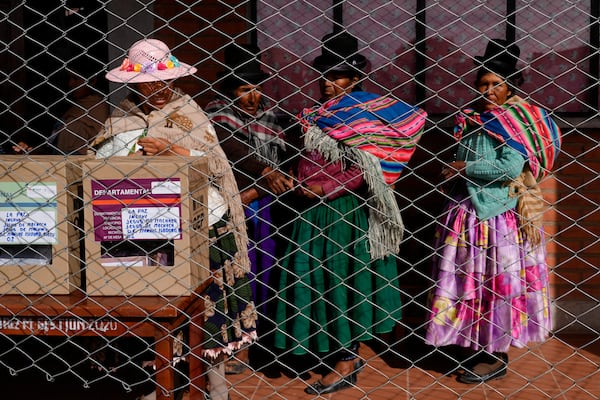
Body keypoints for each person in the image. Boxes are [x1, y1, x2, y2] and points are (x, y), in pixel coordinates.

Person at [98, 38, 257, 400]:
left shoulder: (190, 113)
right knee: (153, 308)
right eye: (146, 83)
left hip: (200, 225)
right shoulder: (121, 116)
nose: (156, 89)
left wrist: (174, 150)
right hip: (143, 224)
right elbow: (100, 158)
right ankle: (158, 384)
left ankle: (216, 388)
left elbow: (216, 165)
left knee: (205, 308)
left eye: (162, 81)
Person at [272, 32, 427, 395]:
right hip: (310, 213)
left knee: (343, 281)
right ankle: (326, 349)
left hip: (344, 213)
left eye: (336, 76)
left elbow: (366, 168)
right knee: (316, 279)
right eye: (323, 75)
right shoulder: (317, 115)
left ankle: (346, 359)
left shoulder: (365, 115)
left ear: (355, 79)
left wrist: (325, 188)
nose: (328, 83)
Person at [424, 39, 562, 384]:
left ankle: (495, 353)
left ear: (509, 85)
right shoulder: (473, 118)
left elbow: (510, 167)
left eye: (495, 84)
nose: (488, 90)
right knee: (468, 281)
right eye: (483, 84)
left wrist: (463, 167)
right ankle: (471, 343)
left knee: (494, 284)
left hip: (496, 217)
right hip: (465, 214)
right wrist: (458, 172)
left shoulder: (514, 120)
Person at [205, 43, 293, 376]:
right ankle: (235, 345)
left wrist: (267, 182)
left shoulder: (268, 117)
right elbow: (232, 153)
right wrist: (265, 175)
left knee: (266, 273)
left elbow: (283, 156)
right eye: (245, 89)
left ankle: (263, 341)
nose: (253, 96)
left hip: (266, 207)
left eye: (257, 88)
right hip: (231, 206)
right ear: (230, 89)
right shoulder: (216, 115)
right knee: (236, 274)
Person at [12, 54, 109, 155]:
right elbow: (52, 145)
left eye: (75, 79)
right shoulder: (75, 107)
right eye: (70, 78)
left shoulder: (99, 108)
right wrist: (31, 151)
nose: (70, 83)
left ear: (92, 81)